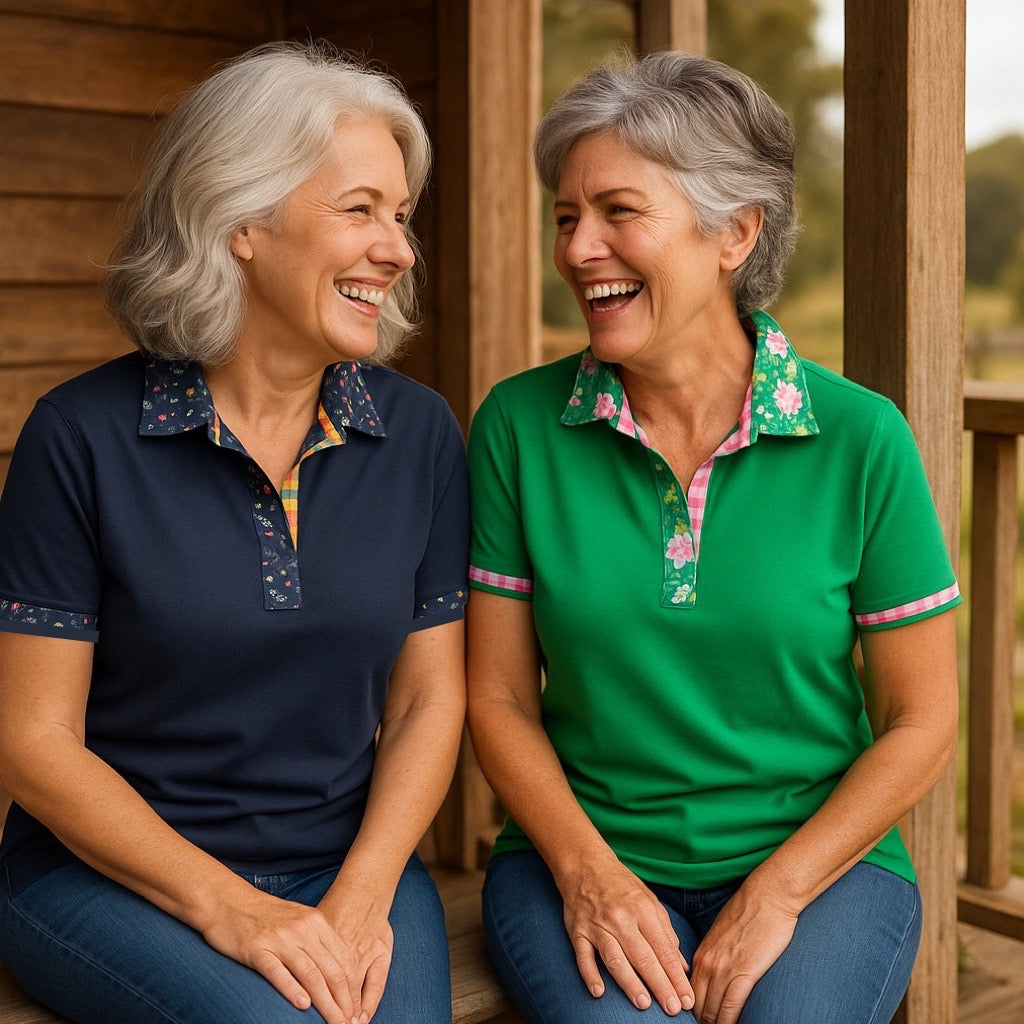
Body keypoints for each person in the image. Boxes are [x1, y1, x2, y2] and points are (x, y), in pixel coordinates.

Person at [466, 51, 960, 1024]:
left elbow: (920, 720)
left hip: (818, 865)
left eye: (618, 211)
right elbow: (495, 696)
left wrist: (774, 893)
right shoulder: (517, 427)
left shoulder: (860, 437)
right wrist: (589, 873)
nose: (577, 248)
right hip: (578, 855)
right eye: (567, 217)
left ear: (735, 230)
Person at [0, 41, 467, 1024]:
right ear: (241, 220)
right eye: (360, 210)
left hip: (350, 865)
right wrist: (237, 912)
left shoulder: (418, 432)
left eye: (400, 215)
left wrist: (365, 891)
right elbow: (33, 743)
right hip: (109, 879)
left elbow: (430, 698)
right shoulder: (80, 437)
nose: (400, 249)